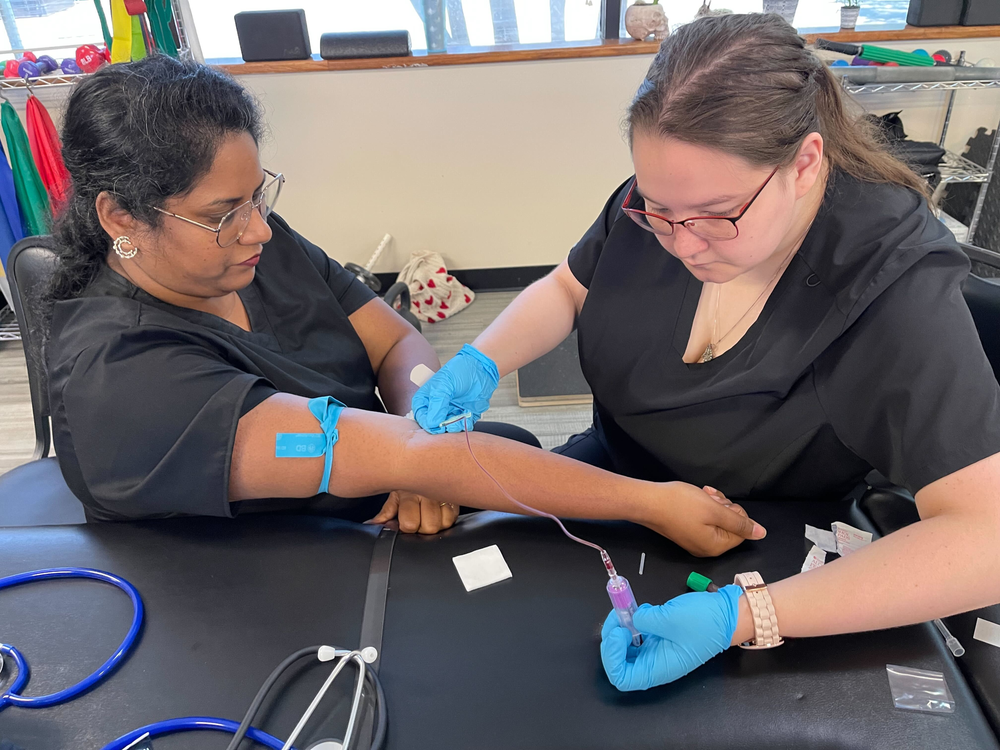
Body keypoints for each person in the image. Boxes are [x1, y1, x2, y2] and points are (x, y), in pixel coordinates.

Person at [411, 14, 1000, 690]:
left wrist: (745, 615)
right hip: (615, 479)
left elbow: (985, 538)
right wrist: (481, 359)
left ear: (804, 164)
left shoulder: (889, 279)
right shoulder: (668, 200)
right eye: (657, 212)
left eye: (716, 217)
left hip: (764, 537)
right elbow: (571, 287)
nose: (682, 243)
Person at [44, 55, 763, 558]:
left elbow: (395, 345)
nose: (258, 226)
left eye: (259, 195)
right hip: (284, 562)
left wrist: (416, 427)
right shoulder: (125, 379)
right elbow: (385, 451)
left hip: (391, 475)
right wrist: (652, 502)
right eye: (225, 211)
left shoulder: (251, 246)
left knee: (512, 452)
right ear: (121, 217)